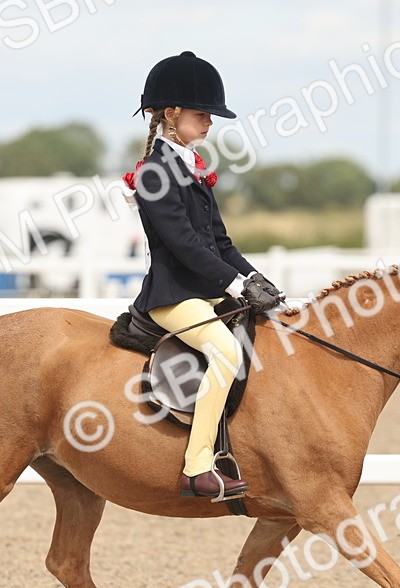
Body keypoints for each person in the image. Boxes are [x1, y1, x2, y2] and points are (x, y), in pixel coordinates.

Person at [125, 51, 285, 500]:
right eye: (202, 114)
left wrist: (258, 280)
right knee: (226, 353)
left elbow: (221, 244)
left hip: (207, 293)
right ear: (172, 114)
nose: (210, 122)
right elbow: (184, 245)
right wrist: (235, 285)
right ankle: (197, 467)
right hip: (174, 296)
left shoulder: (193, 169)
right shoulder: (154, 172)